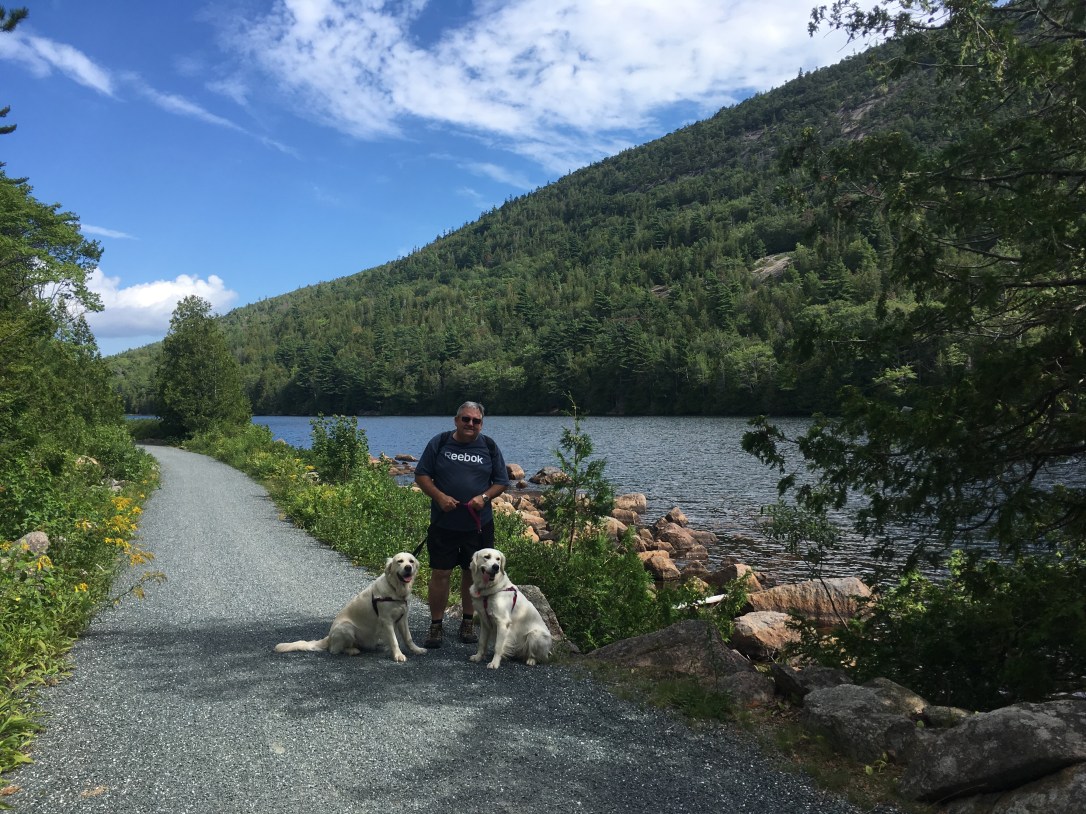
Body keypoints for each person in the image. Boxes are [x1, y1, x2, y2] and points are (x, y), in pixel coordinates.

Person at [414, 401, 510, 648]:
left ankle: (468, 622)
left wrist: (484, 497)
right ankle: (436, 625)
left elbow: (501, 481)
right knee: (440, 573)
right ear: (456, 420)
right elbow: (422, 475)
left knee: (473, 573)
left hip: (478, 525)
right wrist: (439, 497)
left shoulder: (489, 446)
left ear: (481, 424)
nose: (470, 424)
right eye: (466, 419)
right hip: (444, 523)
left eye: (476, 421)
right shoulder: (440, 443)